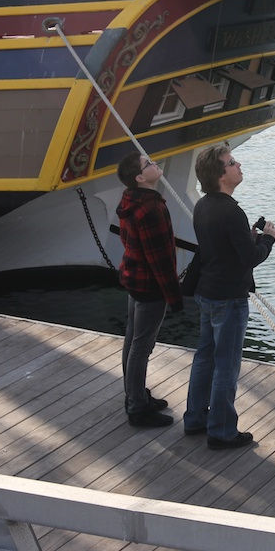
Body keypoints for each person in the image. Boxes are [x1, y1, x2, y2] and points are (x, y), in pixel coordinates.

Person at [183, 144, 275, 450]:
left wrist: (247, 237)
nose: (238, 165)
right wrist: (268, 240)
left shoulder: (204, 206)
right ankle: (222, 431)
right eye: (232, 162)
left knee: (205, 357)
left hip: (207, 292)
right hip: (229, 298)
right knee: (226, 364)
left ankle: (196, 418)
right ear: (221, 174)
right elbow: (250, 257)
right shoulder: (231, 211)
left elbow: (222, 247)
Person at [116, 151, 183, 428]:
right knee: (141, 347)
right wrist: (174, 296)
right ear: (141, 177)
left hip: (134, 279)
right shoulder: (152, 208)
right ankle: (137, 408)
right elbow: (162, 258)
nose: (154, 163)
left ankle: (135, 395)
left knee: (133, 342)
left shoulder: (130, 201)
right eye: (148, 164)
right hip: (150, 286)